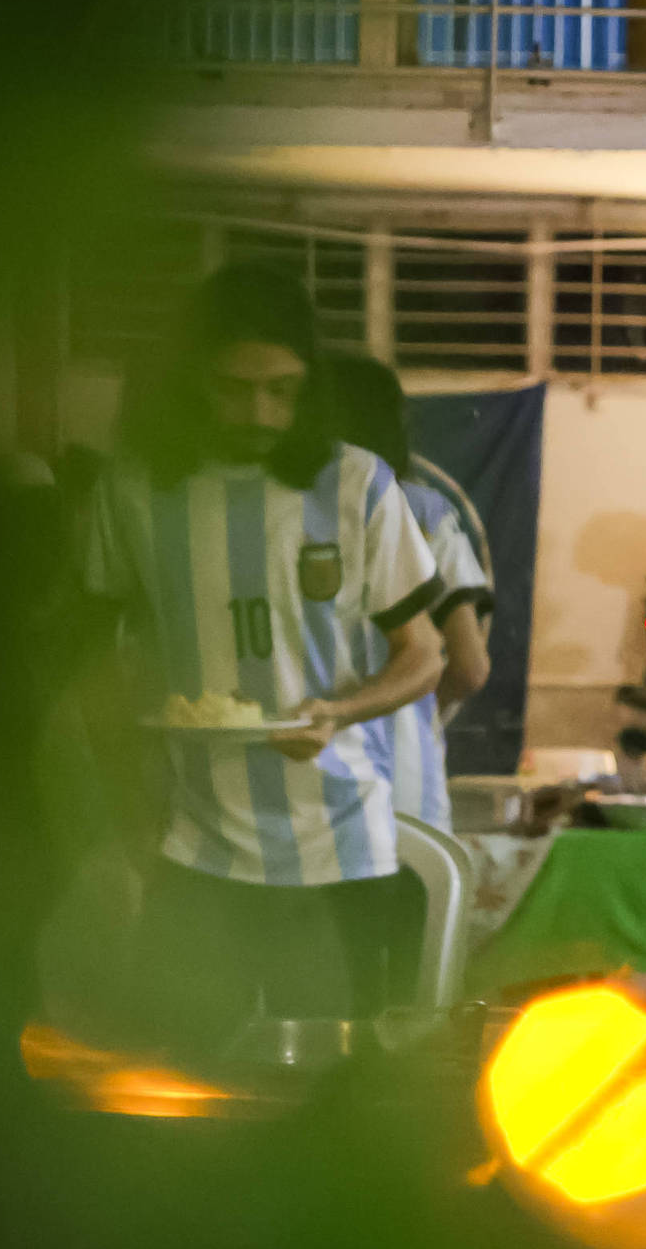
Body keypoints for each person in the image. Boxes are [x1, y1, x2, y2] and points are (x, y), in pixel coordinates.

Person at [81, 263, 444, 1056]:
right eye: (234, 388)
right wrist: (131, 812)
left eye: (283, 390)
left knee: (328, 1100)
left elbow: (425, 653)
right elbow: (100, 669)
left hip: (339, 849)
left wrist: (339, 710)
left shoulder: (355, 484)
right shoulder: (139, 488)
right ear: (189, 380)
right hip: (192, 848)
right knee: (169, 1082)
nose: (260, 411)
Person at [326, 353, 494, 831]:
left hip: (306, 790)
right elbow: (469, 665)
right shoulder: (424, 510)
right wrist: (408, 713)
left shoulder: (279, 510)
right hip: (404, 785)